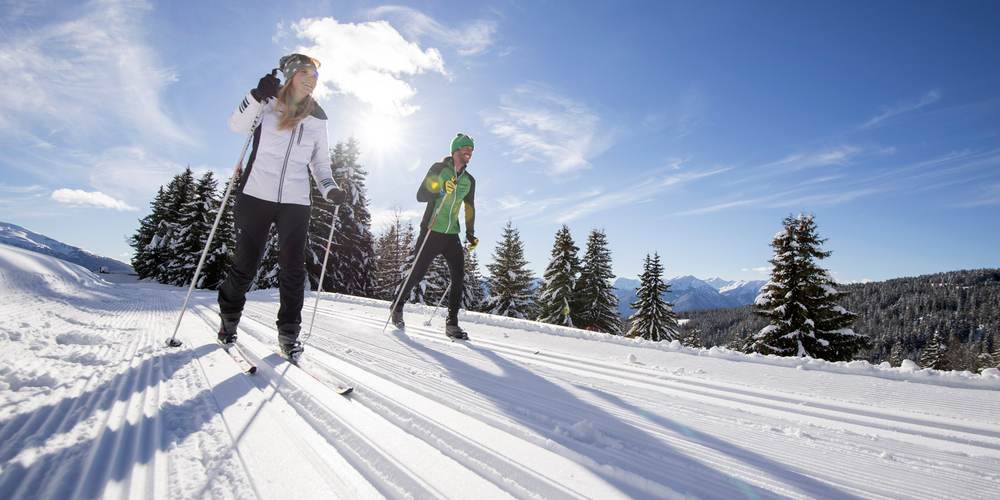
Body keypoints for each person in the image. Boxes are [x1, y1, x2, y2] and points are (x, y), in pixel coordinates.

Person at [217, 53, 346, 359]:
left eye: (314, 75)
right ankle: (229, 318)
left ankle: (289, 333)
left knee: (293, 270)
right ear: (289, 76)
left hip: (295, 201)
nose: (311, 79)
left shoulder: (318, 117)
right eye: (305, 73)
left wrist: (330, 190)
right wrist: (255, 95)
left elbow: (320, 164)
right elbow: (236, 125)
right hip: (256, 195)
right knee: (246, 266)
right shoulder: (267, 103)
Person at [391, 134, 478, 339]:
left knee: (458, 276)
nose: (469, 152)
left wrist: (471, 233)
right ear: (455, 151)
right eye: (466, 148)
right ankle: (397, 305)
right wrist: (440, 190)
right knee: (417, 273)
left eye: (472, 150)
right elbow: (421, 195)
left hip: (451, 234)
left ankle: (452, 324)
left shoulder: (469, 181)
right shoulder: (438, 169)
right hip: (431, 229)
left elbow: (470, 207)